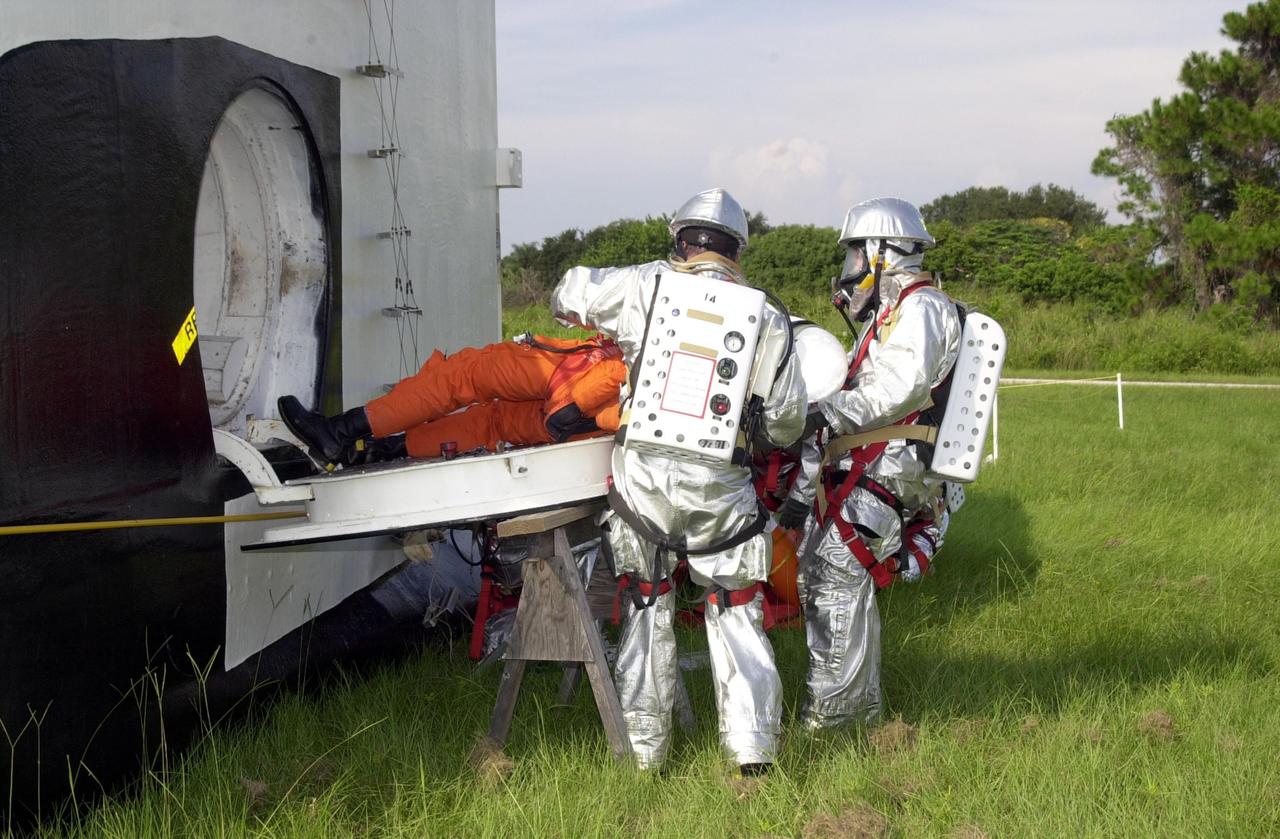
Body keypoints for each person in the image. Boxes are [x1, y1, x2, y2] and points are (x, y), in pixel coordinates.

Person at [551, 188, 807, 774]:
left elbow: (569, 290)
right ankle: (752, 753)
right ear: (737, 250)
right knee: (735, 608)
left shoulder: (643, 285)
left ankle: (644, 753)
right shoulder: (766, 315)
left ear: (679, 241)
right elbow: (788, 421)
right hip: (721, 496)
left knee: (646, 605)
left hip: (643, 491)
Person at [797, 197, 961, 729]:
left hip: (892, 468)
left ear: (880, 254)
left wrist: (824, 413)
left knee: (836, 575)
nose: (848, 271)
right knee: (829, 574)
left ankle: (837, 722)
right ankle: (858, 712)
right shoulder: (894, 314)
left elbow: (896, 388)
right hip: (879, 463)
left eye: (853, 256)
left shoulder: (923, 309)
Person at [277, 333, 627, 469]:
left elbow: (628, 372)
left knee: (464, 375)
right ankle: (374, 451)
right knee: (490, 424)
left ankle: (339, 432)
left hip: (571, 381)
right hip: (583, 420)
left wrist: (576, 403)